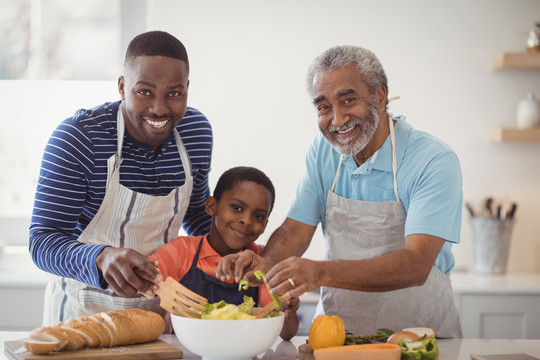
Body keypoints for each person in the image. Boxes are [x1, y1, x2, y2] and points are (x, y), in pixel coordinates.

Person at [216, 45, 463, 338]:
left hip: (421, 338)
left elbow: (416, 265)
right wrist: (267, 265)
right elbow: (296, 228)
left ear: (380, 97)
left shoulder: (432, 160)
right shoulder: (323, 151)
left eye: (348, 100)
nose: (338, 119)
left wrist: (319, 273)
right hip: (337, 337)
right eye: (324, 107)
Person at [29, 30, 213, 325]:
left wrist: (235, 256)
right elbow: (42, 241)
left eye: (174, 93)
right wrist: (101, 257)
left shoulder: (196, 133)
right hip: (82, 316)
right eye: (144, 91)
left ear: (187, 89)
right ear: (121, 86)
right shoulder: (79, 138)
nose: (159, 108)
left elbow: (197, 219)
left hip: (159, 317)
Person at [149, 166, 299, 340]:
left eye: (258, 216)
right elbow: (146, 274)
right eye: (237, 207)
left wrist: (288, 310)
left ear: (265, 225)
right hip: (184, 351)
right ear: (211, 206)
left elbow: (287, 333)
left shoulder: (261, 261)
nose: (246, 220)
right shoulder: (182, 251)